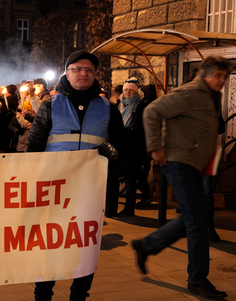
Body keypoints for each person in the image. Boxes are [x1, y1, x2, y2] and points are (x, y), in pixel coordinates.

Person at [25, 50, 125, 301]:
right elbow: (33, 148)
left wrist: (106, 155)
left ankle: (79, 295)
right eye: (78, 69)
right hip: (53, 191)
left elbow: (122, 147)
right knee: (50, 246)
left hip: (89, 191)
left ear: (94, 74)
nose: (84, 73)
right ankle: (43, 294)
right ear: (67, 73)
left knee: (85, 247)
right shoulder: (50, 105)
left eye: (89, 69)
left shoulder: (108, 108)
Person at [131, 56, 231, 300]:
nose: (222, 80)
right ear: (205, 73)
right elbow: (152, 112)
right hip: (178, 162)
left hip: (194, 164)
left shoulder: (210, 95)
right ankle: (197, 280)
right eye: (218, 75)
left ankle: (147, 245)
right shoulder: (190, 92)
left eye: (224, 77)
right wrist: (155, 147)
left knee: (193, 217)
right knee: (198, 221)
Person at [117, 77, 149, 217]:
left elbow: (138, 127)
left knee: (130, 179)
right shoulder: (121, 105)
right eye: (125, 90)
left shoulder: (139, 106)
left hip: (133, 147)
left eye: (130, 90)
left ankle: (129, 208)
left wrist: (122, 130)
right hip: (122, 145)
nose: (128, 92)